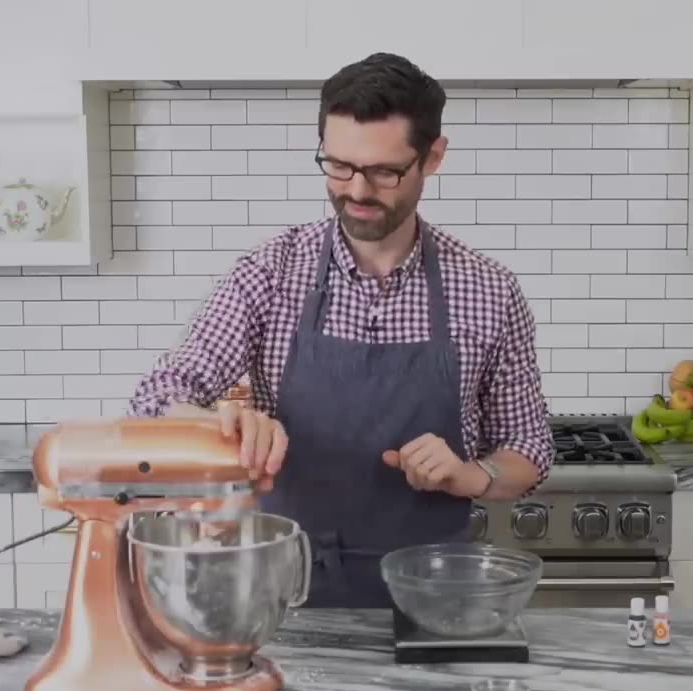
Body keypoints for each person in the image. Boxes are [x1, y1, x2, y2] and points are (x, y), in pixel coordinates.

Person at [128, 52, 553, 608]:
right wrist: (216, 423)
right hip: (285, 594)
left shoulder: (489, 289)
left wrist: (469, 476)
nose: (356, 190)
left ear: (434, 158)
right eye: (338, 165)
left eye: (383, 171)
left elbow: (528, 450)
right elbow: (153, 399)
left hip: (433, 598)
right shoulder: (272, 272)